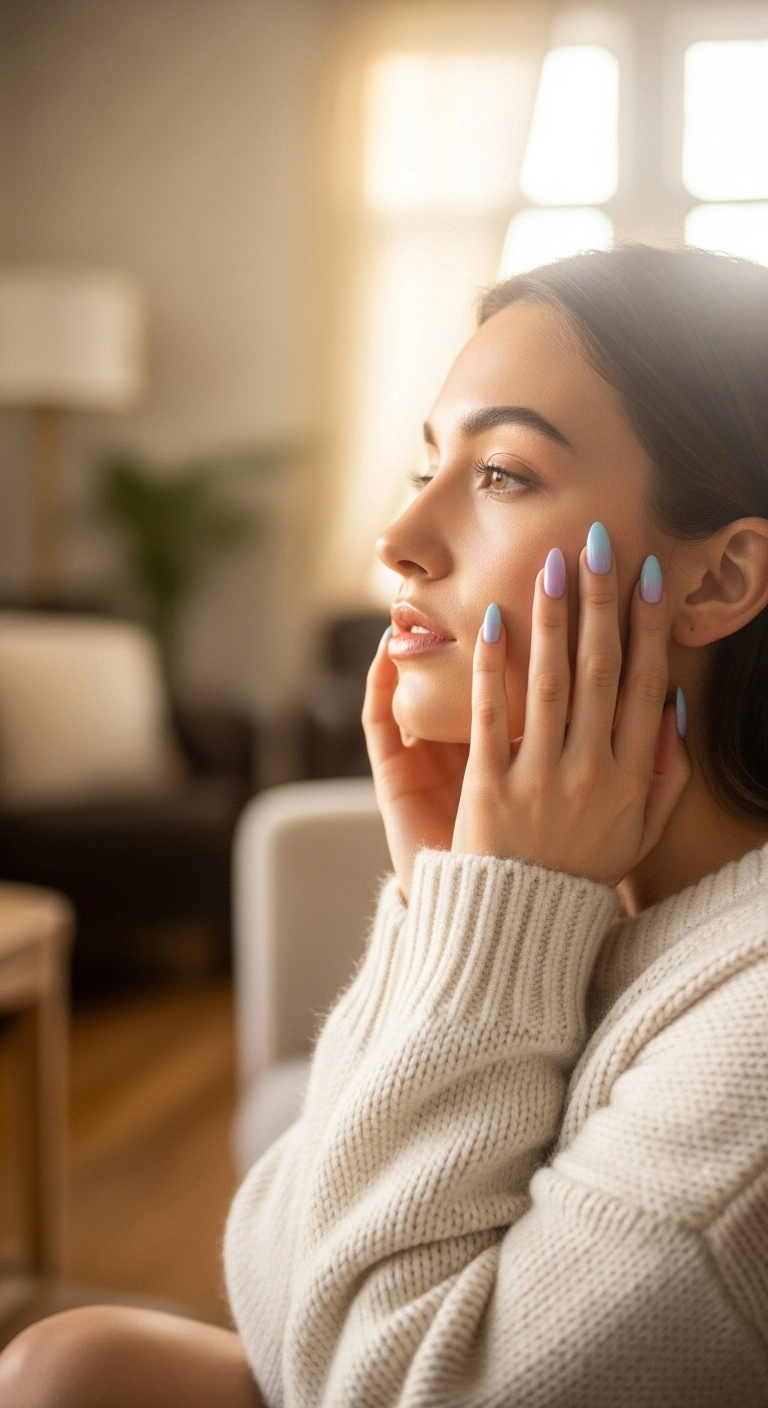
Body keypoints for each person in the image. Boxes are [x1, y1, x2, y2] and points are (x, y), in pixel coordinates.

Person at [3, 243, 768, 1406]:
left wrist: (492, 925)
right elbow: (280, 1279)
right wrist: (443, 912)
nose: (401, 535)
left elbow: (365, 1383)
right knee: (70, 1362)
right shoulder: (599, 893)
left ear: (718, 582)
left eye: (503, 473)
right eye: (426, 462)